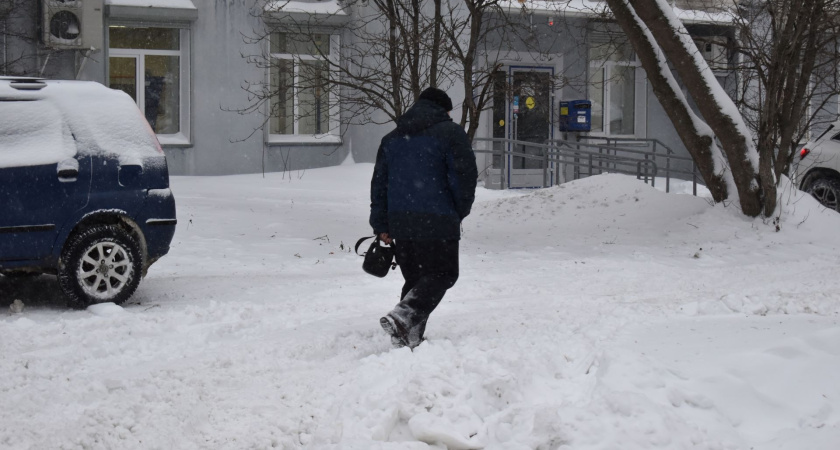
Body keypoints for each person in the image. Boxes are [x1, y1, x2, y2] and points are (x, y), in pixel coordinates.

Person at [369, 87, 478, 349]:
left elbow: (379, 184)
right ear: (444, 109)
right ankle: (402, 316)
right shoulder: (451, 134)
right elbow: (465, 177)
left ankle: (405, 336)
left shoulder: (392, 138)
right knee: (444, 273)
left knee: (417, 279)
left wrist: (381, 223)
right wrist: (458, 210)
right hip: (438, 219)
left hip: (401, 221)